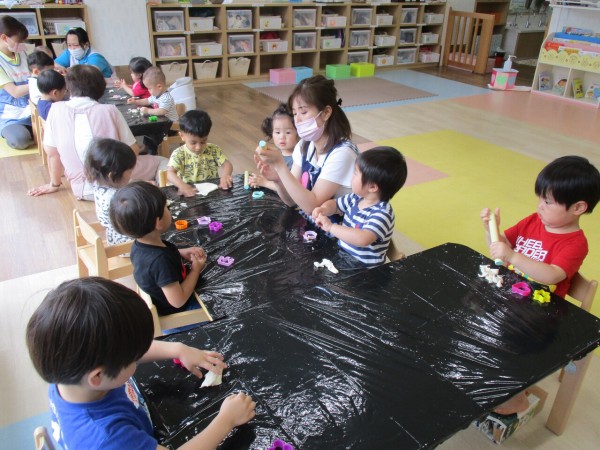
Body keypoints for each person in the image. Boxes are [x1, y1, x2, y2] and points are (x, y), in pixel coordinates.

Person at [26, 277, 256, 450]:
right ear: (97, 377)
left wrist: (178, 348)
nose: (138, 355)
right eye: (132, 357)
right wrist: (226, 421)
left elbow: (118, 352)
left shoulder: (68, 370)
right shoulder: (110, 439)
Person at [480, 155, 600, 414]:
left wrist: (512, 256)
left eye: (547, 201)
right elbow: (503, 248)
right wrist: (491, 229)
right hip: (511, 298)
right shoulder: (533, 220)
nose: (540, 206)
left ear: (578, 208)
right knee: (474, 313)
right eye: (539, 199)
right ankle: (492, 370)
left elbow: (552, 275)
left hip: (540, 316)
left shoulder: (575, 243)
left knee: (509, 346)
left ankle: (517, 396)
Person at [27, 65, 167, 200]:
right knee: (162, 161)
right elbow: (132, 151)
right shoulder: (109, 110)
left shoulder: (55, 109)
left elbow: (52, 154)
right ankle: (155, 194)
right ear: (101, 89)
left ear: (69, 88)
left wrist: (54, 184)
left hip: (81, 189)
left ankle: (136, 187)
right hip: (116, 182)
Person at [254, 75, 358, 216]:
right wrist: (278, 179)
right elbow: (292, 201)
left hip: (344, 231)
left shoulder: (342, 153)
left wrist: (280, 166)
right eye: (295, 113)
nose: (297, 120)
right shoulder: (305, 145)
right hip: (319, 225)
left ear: (326, 112)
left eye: (303, 112)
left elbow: (312, 206)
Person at [110, 181, 208, 316]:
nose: (169, 210)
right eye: (166, 207)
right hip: (180, 312)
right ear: (158, 223)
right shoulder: (161, 262)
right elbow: (178, 301)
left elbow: (155, 266)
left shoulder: (139, 245)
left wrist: (179, 252)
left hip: (167, 298)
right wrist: (196, 270)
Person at [312, 147, 407, 266]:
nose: (352, 177)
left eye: (356, 173)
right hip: (344, 256)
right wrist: (324, 209)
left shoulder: (382, 213)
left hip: (365, 270)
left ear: (372, 187)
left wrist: (330, 227)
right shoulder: (355, 198)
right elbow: (335, 205)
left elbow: (363, 239)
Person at [167, 109, 233, 196]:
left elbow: (227, 165)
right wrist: (182, 186)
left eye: (203, 142)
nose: (198, 147)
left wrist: (225, 175)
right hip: (190, 193)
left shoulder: (213, 149)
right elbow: (170, 173)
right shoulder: (179, 154)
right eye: (193, 143)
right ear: (182, 136)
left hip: (211, 193)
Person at [84, 138, 136, 246]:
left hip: (113, 238)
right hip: (127, 244)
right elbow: (136, 219)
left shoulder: (99, 186)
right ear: (112, 175)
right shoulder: (117, 198)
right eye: (130, 171)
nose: (131, 175)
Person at [128, 66, 178, 154]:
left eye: (149, 88)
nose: (148, 90)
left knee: (152, 131)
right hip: (161, 123)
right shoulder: (155, 95)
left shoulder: (166, 98)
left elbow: (162, 111)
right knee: (148, 129)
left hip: (170, 126)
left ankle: (152, 152)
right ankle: (146, 147)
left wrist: (148, 111)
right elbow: (147, 100)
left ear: (159, 86)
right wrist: (136, 101)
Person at [0, 16, 33, 150]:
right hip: (10, 114)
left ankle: (33, 131)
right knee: (20, 140)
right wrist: (39, 82)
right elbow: (14, 92)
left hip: (31, 109)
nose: (22, 44)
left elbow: (42, 64)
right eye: (19, 41)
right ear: (4, 38)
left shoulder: (23, 52)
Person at [249, 103, 298, 191]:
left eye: (288, 132)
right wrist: (259, 179)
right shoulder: (277, 153)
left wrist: (264, 183)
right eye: (277, 132)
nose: (282, 137)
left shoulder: (297, 159)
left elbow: (291, 188)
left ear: (298, 132)